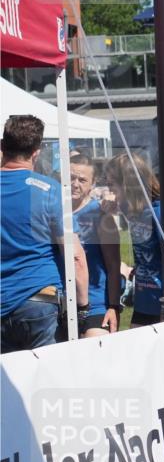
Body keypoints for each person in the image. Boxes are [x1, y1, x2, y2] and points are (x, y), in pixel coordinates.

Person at [1, 115, 88, 352]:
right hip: (39, 300)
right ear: (36, 153)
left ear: (2, 147)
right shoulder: (50, 191)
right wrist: (82, 308)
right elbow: (76, 257)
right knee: (47, 381)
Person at [103, 154, 162, 327]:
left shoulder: (157, 213)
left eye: (112, 185)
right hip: (144, 300)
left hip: (162, 300)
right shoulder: (133, 211)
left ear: (128, 184)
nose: (109, 191)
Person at [70, 154, 121, 336]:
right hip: (62, 304)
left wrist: (113, 306)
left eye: (82, 180)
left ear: (92, 185)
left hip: (96, 304)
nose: (75, 184)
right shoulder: (54, 212)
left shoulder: (101, 216)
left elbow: (114, 266)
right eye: (71, 178)